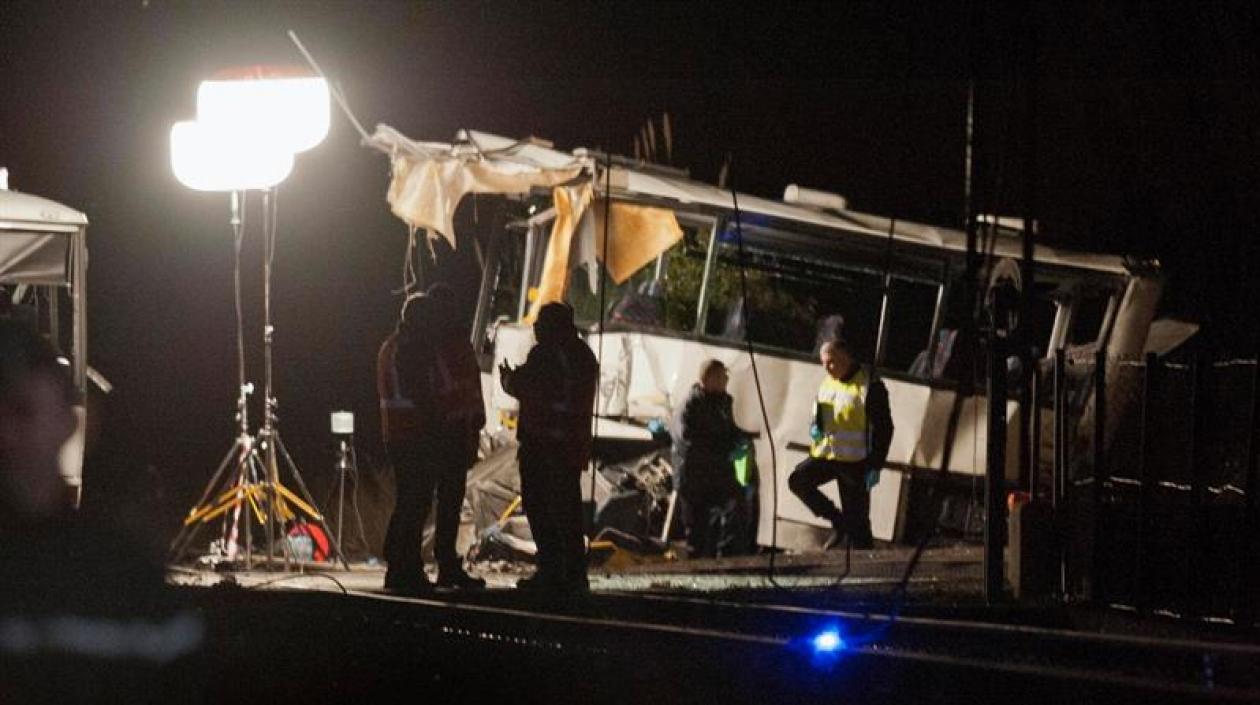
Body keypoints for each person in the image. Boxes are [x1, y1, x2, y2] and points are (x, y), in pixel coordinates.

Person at [0, 320, 204, 701]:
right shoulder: (128, 582)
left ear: (69, 424)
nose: (5, 433)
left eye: (21, 409)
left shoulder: (130, 587)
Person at [379, 285, 487, 594]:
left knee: (413, 502)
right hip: (416, 435)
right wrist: (439, 428)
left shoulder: (398, 345)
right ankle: (404, 568)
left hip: (409, 435)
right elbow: (425, 394)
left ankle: (403, 566)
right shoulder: (413, 348)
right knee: (415, 503)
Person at [499, 302, 598, 596]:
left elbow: (525, 385)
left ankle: (552, 570)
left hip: (542, 444)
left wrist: (507, 378)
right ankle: (574, 574)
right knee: (568, 511)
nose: (536, 329)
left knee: (540, 508)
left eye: (540, 323)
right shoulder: (583, 355)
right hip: (571, 445)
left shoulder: (545, 354)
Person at [788, 336, 893, 550]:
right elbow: (819, 415)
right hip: (826, 455)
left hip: (854, 463)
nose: (827, 368)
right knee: (798, 481)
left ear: (846, 357)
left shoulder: (870, 386)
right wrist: (815, 428)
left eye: (831, 362)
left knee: (859, 525)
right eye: (823, 363)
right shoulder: (828, 382)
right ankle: (838, 521)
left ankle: (867, 566)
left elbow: (884, 429)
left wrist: (875, 465)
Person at [669, 359, 751, 558]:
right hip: (694, 478)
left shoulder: (723, 402)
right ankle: (696, 569)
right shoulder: (690, 406)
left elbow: (731, 431)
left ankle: (722, 557)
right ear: (709, 379)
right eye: (723, 376)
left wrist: (741, 440)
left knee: (734, 506)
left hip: (716, 474)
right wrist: (721, 453)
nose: (726, 380)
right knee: (696, 530)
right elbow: (686, 442)